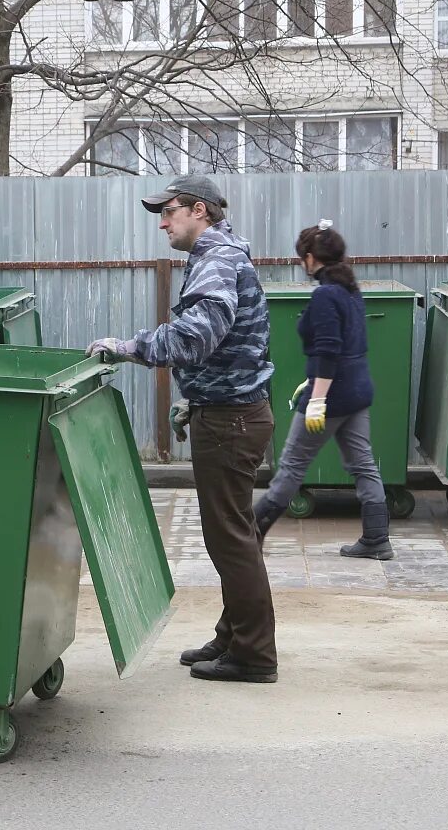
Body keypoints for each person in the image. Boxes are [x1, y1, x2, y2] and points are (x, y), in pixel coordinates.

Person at [86, 175, 278, 684]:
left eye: (168, 212)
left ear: (199, 210)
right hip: (230, 412)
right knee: (232, 534)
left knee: (231, 539)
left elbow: (196, 337)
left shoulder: (216, 259)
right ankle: (235, 634)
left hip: (230, 420)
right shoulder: (223, 254)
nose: (163, 222)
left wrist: (131, 347)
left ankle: (254, 655)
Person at [252, 222, 395, 561]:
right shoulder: (350, 290)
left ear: (310, 258)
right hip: (358, 391)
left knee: (291, 466)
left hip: (331, 397)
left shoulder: (326, 295)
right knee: (362, 464)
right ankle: (377, 540)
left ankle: (251, 536)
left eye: (302, 257)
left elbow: (329, 350)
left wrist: (317, 397)